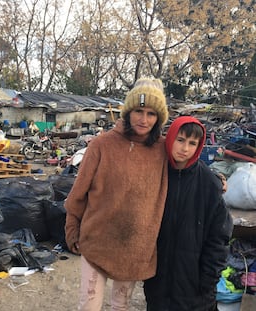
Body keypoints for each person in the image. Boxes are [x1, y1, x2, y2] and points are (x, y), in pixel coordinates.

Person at [64, 77, 169, 310]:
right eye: (139, 110)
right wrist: (72, 227)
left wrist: (216, 179)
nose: (144, 119)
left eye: (151, 113)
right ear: (128, 112)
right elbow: (78, 193)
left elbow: (189, 167)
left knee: (121, 305)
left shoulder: (163, 150)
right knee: (89, 305)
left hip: (135, 246)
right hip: (97, 241)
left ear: (159, 118)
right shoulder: (102, 145)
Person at [143, 116, 233, 311]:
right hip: (157, 280)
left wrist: (208, 281)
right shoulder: (156, 176)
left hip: (195, 285)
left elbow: (219, 239)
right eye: (180, 140)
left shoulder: (209, 184)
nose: (185, 148)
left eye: (193, 143)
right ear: (170, 138)